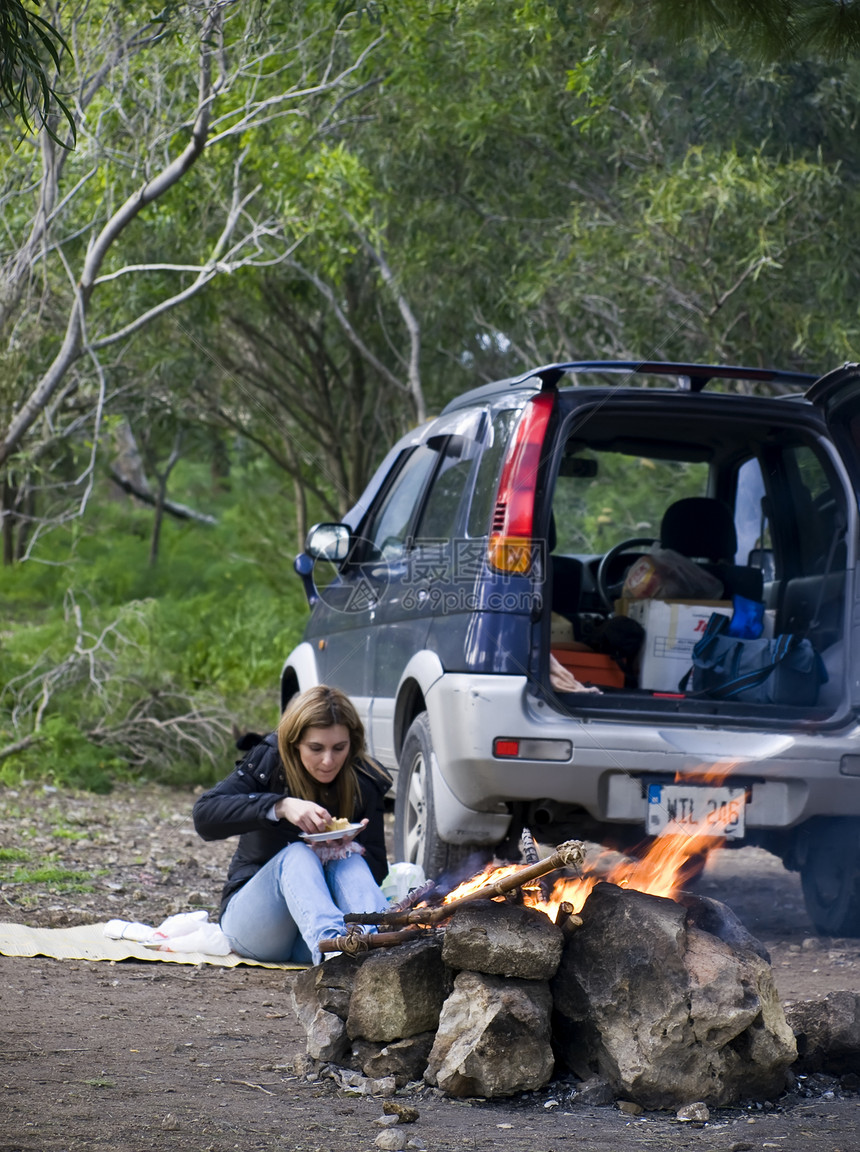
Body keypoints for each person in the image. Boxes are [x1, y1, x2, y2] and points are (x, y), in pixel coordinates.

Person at [193, 685, 391, 965]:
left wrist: (347, 848)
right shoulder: (271, 759)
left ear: (352, 743)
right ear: (295, 742)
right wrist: (279, 806)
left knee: (349, 859)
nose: (328, 760)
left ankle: (385, 951)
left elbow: (378, 869)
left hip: (308, 933)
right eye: (316, 748)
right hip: (256, 927)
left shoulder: (363, 778)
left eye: (339, 748)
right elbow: (205, 816)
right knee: (299, 854)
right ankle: (333, 955)